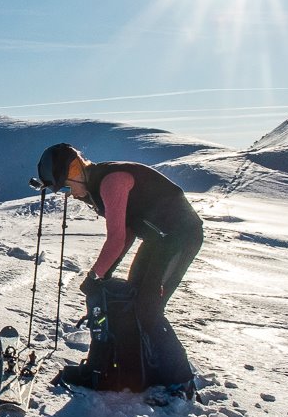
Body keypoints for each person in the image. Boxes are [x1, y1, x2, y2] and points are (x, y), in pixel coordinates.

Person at [37, 143, 200, 388]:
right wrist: (104, 274)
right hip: (158, 240)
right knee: (134, 298)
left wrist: (95, 276)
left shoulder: (110, 182)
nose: (70, 195)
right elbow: (128, 232)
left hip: (180, 238)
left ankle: (181, 381)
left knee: (148, 307)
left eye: (67, 187)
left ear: (75, 170)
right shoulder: (96, 187)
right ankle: (139, 369)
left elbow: (116, 238)